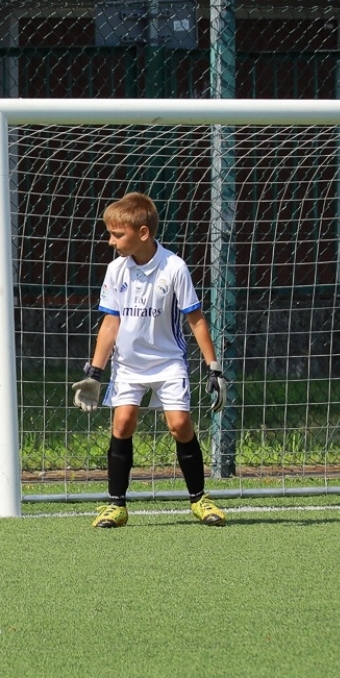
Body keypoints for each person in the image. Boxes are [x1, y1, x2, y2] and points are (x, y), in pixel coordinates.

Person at [69, 192, 230, 529]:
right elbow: (110, 323)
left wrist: (214, 368)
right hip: (128, 365)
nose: (111, 242)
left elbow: (196, 320)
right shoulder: (115, 271)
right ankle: (116, 505)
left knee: (179, 426)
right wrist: (95, 373)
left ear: (143, 233)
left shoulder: (174, 267)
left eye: (117, 235)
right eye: (110, 234)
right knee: (123, 423)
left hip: (168, 362)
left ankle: (200, 499)